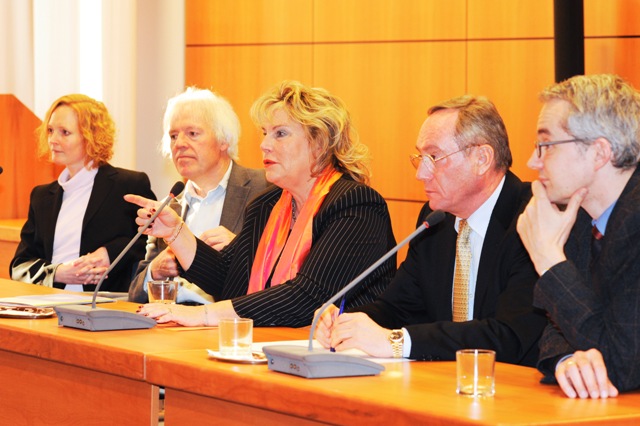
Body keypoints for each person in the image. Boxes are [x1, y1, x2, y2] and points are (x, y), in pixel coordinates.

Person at [125, 80, 396, 327]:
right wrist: (176, 232)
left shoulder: (356, 205)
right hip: (272, 349)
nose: (264, 144)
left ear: (319, 142)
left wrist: (204, 315)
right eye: (265, 133)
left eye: (280, 134)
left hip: (342, 362)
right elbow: (227, 279)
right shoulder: (266, 205)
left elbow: (308, 297)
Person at [315, 95, 547, 365]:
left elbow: (509, 336)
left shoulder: (533, 218)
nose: (421, 174)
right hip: (443, 386)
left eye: (434, 157)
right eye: (420, 157)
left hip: (514, 390)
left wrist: (397, 342)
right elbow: (398, 307)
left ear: (482, 159)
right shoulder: (435, 219)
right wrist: (345, 321)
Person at [517, 74, 640, 399]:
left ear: (599, 153)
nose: (532, 161)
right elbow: (555, 327)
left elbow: (624, 366)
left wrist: (548, 259)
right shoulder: (581, 216)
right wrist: (568, 360)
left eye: (546, 146)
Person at [128, 87, 268, 304]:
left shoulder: (264, 188)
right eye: (173, 136)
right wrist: (154, 271)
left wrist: (239, 249)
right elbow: (134, 294)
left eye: (192, 133)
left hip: (229, 323)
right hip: (173, 325)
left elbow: (285, 267)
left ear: (224, 140)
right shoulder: (169, 208)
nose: (179, 144)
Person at [11, 94, 156, 292]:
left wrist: (109, 253)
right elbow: (19, 266)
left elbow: (152, 243)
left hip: (106, 307)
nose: (53, 139)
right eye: (51, 130)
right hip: (46, 304)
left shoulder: (128, 185)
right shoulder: (41, 196)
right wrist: (58, 272)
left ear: (90, 136)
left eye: (64, 132)